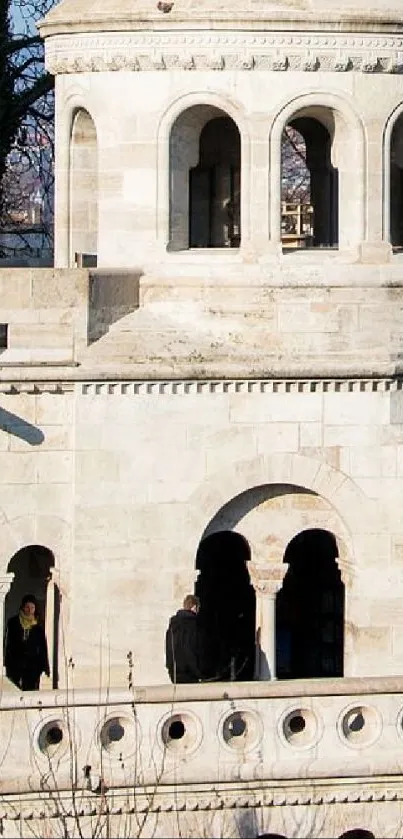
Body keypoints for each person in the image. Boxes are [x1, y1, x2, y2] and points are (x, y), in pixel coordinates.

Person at [4, 594, 50, 691]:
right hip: (15, 666)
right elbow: (8, 644)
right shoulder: (13, 623)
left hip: (32, 668)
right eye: (27, 607)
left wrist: (44, 667)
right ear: (23, 607)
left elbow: (43, 648)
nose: (29, 610)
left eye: (32, 607)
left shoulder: (38, 626)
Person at [165, 594, 203, 684]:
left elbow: (168, 648)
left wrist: (170, 668)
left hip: (174, 673)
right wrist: (198, 673)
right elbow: (190, 649)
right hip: (189, 673)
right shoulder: (192, 624)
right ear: (194, 607)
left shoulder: (173, 625)